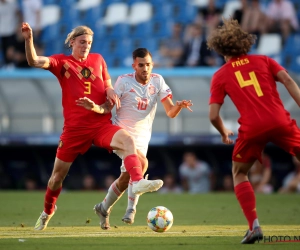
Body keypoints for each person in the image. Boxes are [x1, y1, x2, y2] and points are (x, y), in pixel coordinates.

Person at [21, 23, 164, 231]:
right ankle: (47, 211)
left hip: (100, 125)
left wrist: (108, 94)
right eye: (82, 42)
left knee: (127, 141)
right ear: (72, 43)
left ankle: (138, 180)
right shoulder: (62, 62)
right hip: (74, 130)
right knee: (55, 179)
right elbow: (34, 61)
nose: (86, 46)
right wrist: (28, 39)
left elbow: (107, 89)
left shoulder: (98, 60)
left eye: (89, 43)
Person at [76, 48, 193, 229]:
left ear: (152, 65)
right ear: (134, 66)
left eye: (148, 65)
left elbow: (170, 112)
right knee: (142, 164)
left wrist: (178, 106)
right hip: (120, 132)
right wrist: (96, 108)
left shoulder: (158, 81)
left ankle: (103, 208)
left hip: (142, 137)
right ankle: (131, 209)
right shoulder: (123, 81)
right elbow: (108, 107)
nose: (145, 68)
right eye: (141, 65)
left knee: (125, 179)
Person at [207, 18, 300, 244]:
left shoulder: (220, 75)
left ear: (221, 50)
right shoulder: (265, 60)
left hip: (252, 128)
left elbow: (212, 115)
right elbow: (287, 80)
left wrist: (223, 132)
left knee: (239, 173)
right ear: (244, 44)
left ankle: (254, 227)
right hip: (280, 121)